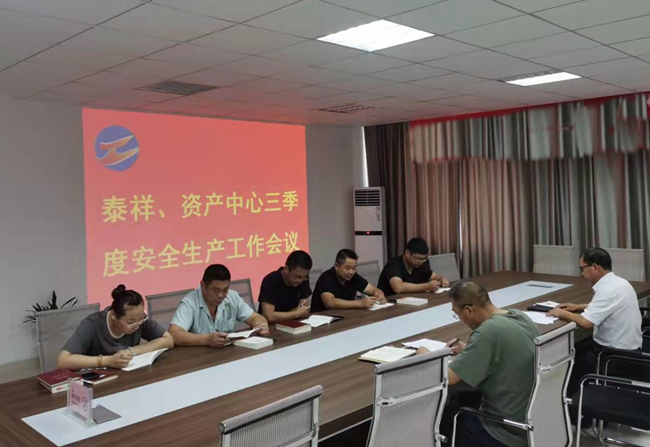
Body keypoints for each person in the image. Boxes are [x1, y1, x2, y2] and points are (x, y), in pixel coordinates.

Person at [417, 280, 540, 447]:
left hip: (503, 430)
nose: (459, 319)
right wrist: (470, 349)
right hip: (531, 421)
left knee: (446, 416)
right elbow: (505, 348)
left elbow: (448, 378)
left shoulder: (487, 332)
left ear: (468, 310)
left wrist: (425, 354)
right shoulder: (519, 316)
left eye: (457, 314)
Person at [547, 247, 642, 395]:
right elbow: (608, 306)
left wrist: (562, 313)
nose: (581, 273)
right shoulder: (620, 283)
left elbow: (586, 323)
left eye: (582, 268)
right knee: (578, 347)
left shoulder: (608, 290)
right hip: (630, 348)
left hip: (615, 356)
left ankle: (573, 401)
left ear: (595, 267)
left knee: (571, 363)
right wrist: (578, 306)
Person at [58, 285, 174, 370]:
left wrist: (132, 351)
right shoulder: (92, 324)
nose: (138, 325)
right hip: (98, 381)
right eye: (130, 322)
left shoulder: (138, 319)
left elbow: (168, 340)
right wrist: (107, 361)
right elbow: (63, 361)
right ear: (114, 315)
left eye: (141, 319)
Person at [169, 264, 269, 347]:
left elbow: (255, 317)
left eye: (225, 290)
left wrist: (261, 324)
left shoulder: (232, 297)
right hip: (197, 356)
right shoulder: (190, 302)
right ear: (203, 285)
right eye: (215, 290)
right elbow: (175, 334)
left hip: (226, 352)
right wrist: (207, 339)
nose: (221, 295)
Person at [310, 249, 387, 312]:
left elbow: (372, 289)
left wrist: (378, 293)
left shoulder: (353, 277)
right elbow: (330, 303)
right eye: (347, 268)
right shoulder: (327, 278)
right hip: (322, 319)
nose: (351, 272)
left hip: (346, 315)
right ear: (336, 266)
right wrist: (360, 303)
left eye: (354, 268)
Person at [377, 237, 450, 296]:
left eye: (423, 259)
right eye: (418, 258)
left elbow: (434, 276)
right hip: (389, 302)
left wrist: (441, 279)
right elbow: (398, 287)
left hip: (412, 300)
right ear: (407, 253)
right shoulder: (393, 265)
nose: (420, 262)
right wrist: (427, 286)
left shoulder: (421, 263)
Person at [258, 250, 312, 323]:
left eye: (305, 277)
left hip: (294, 323)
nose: (301, 281)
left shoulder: (303, 280)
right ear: (286, 269)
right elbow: (269, 316)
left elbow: (304, 310)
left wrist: (283, 315)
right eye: (297, 277)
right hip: (270, 326)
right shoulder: (271, 280)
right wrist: (297, 313)